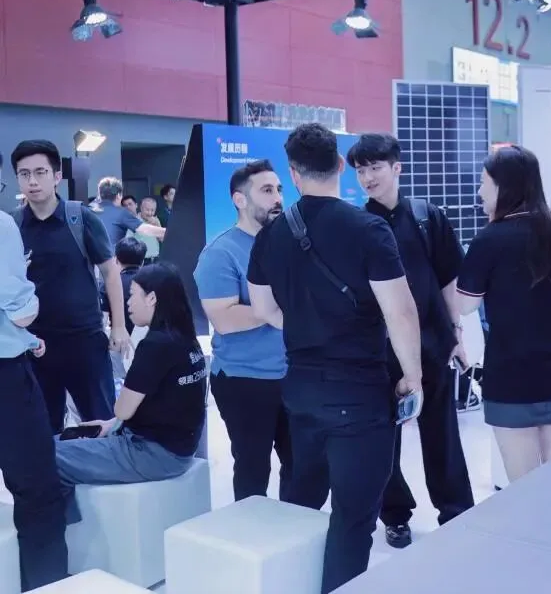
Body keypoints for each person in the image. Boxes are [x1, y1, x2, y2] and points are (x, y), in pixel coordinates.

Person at [247, 123, 422, 593]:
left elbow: (264, 309)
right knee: (352, 519)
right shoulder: (368, 229)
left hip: (300, 391)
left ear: (293, 172)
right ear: (341, 165)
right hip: (359, 394)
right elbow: (400, 312)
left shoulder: (271, 234)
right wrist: (413, 377)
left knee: (299, 506)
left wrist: (308, 324)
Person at [346, 133, 473, 549]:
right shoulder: (356, 225)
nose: (368, 177)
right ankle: (395, 515)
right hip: (379, 350)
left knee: (443, 433)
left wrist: (456, 335)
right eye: (361, 170)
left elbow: (449, 278)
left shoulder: (426, 217)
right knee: (386, 439)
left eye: (375, 167)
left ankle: (456, 511)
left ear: (396, 167)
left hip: (432, 344)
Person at [457, 145, 551, 483]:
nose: (479, 192)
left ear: (503, 185)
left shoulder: (488, 240)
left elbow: (466, 305)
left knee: (522, 485)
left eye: (483, 183)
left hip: (510, 378)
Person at [54, 263, 207, 524]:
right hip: (175, 448)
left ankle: (56, 533)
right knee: (62, 441)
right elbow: (161, 407)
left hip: (152, 454)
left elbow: (122, 409)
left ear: (152, 298)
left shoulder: (155, 346)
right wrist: (111, 425)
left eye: (133, 294)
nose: (128, 303)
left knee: (45, 456)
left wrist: (118, 419)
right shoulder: (186, 339)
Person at [10, 140, 130, 434]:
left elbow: (110, 273)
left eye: (40, 172)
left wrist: (118, 326)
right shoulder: (12, 225)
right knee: (42, 428)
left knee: (99, 421)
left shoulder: (81, 218)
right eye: (24, 174)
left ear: (57, 176)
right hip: (33, 343)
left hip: (84, 340)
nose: (32, 181)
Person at [194, 160, 291, 502]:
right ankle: (251, 531)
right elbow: (224, 318)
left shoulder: (289, 244)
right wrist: (282, 313)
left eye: (279, 189)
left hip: (295, 376)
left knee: (304, 466)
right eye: (266, 190)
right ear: (240, 200)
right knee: (253, 469)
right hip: (244, 380)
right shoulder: (220, 253)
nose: (277, 198)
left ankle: (295, 527)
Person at [0, 150, 68, 592]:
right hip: (6, 376)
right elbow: (21, 309)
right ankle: (47, 585)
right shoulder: (4, 225)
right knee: (38, 488)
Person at [94, 177, 165, 247]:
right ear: (118, 195)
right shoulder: (121, 213)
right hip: (112, 254)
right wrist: (169, 232)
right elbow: (144, 229)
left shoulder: (90, 211)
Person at [101, 236, 147, 337]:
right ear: (142, 262)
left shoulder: (108, 285)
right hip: (147, 341)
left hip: (117, 340)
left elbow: (102, 322)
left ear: (116, 260)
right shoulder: (153, 284)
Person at [135, 197, 162, 264]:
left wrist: (157, 225)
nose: (150, 213)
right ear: (141, 208)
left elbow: (161, 239)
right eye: (147, 210)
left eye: (152, 210)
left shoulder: (156, 220)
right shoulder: (135, 221)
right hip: (141, 260)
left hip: (155, 258)